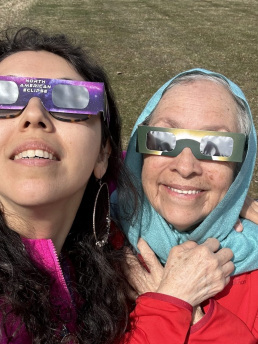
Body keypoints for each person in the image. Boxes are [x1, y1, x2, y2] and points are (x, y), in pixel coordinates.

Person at [0, 26, 139, 344]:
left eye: (70, 100)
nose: (33, 114)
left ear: (103, 153)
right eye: (4, 96)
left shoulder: (94, 262)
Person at [115, 69, 258, 343]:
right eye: (163, 139)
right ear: (139, 150)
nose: (185, 167)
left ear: (239, 168)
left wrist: (183, 311)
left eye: (215, 146)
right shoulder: (90, 242)